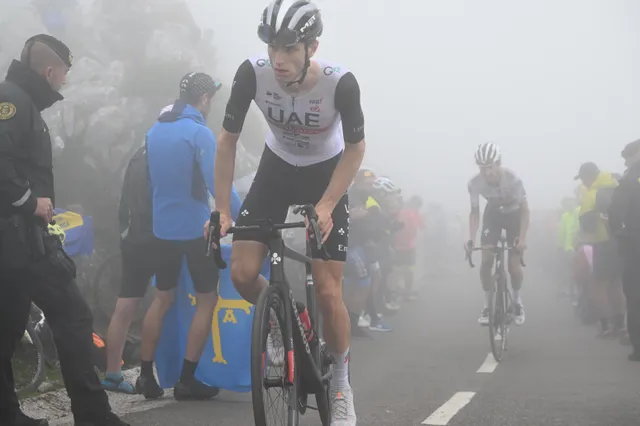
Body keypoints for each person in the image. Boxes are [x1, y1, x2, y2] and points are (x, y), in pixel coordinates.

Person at [210, 1, 366, 423]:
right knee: (242, 272)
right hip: (276, 168)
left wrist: (328, 204)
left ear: (312, 47)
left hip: (325, 173)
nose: (278, 59)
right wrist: (223, 210)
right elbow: (227, 139)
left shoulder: (340, 85)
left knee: (330, 291)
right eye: (271, 47)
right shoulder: (252, 74)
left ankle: (340, 384)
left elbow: (355, 150)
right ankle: (282, 321)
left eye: (289, 48)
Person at [0, 35, 128, 426]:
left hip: (20, 242)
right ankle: (93, 414)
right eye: (64, 74)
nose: (65, 84)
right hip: (18, 242)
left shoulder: (19, 99)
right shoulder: (13, 100)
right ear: (50, 71)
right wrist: (29, 201)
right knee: (72, 315)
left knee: (5, 331)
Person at [135, 72, 241, 400]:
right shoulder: (199, 133)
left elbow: (151, 182)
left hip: (161, 229)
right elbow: (217, 183)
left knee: (162, 299)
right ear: (205, 99)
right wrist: (243, 215)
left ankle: (146, 377)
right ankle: (186, 380)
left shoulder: (155, 131)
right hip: (197, 231)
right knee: (207, 299)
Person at [101, 106, 175, 394]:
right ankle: (151, 370)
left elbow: (124, 202)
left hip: (131, 238)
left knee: (125, 305)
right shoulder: (165, 155)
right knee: (164, 299)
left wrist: (124, 233)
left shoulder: (137, 153)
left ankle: (112, 374)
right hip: (157, 237)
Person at [466, 143, 529, 327]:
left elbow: (525, 210)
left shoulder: (513, 179)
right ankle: (486, 305)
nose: (487, 172)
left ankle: (517, 302)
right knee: (486, 260)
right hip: (493, 215)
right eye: (482, 168)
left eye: (490, 167)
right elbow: (475, 212)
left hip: (514, 216)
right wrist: (470, 238)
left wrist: (522, 239)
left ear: (498, 163)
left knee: (513, 266)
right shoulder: (474, 183)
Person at [575, 162, 625, 338]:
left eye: (582, 179)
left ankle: (605, 326)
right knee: (616, 285)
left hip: (603, 243)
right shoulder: (618, 185)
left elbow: (586, 225)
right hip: (622, 242)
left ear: (589, 176)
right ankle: (620, 325)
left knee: (598, 286)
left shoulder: (592, 194)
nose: (583, 183)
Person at [609, 139, 640, 359]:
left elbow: (615, 213)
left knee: (635, 295)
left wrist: (617, 232)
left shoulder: (629, 179)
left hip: (633, 243)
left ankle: (638, 349)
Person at [393, 195, 424, 301]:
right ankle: (405, 292)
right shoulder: (412, 213)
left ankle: (396, 292)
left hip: (399, 245)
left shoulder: (400, 211)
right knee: (407, 270)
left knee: (398, 270)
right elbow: (422, 226)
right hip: (407, 246)